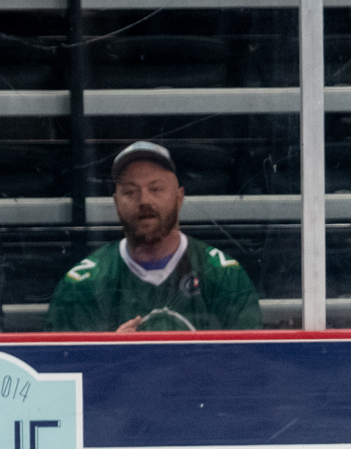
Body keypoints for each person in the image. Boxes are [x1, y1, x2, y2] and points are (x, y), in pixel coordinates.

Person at [46, 141, 262, 332]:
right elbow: (66, 371)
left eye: (156, 189)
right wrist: (107, 355)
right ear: (116, 203)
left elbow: (249, 367)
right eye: (130, 191)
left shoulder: (225, 277)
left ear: (179, 198)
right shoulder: (82, 286)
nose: (144, 201)